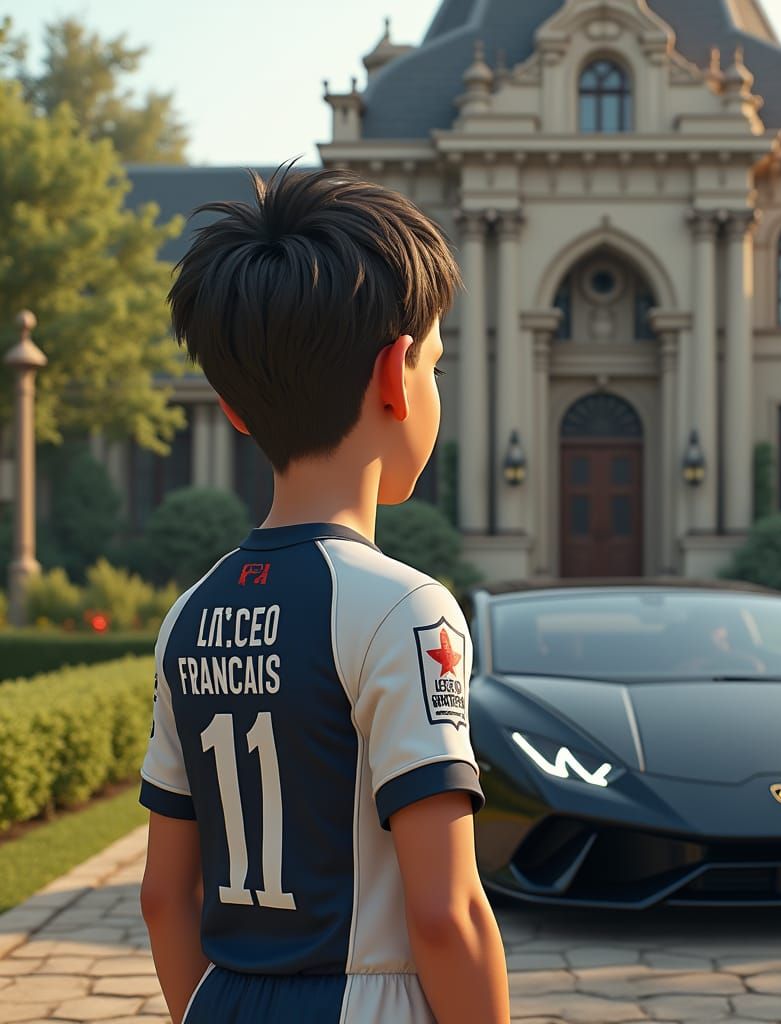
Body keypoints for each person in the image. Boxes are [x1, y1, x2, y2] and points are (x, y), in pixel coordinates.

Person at [137, 163, 510, 1024]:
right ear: (396, 375)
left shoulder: (189, 616)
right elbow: (446, 914)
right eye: (436, 369)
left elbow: (165, 895)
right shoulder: (404, 611)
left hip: (220, 998)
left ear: (231, 407)